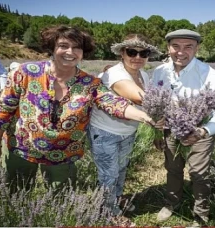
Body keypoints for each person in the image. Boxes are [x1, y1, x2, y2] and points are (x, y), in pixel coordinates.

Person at [0, 25, 154, 195]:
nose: (70, 52)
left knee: (61, 197)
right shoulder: (26, 72)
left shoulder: (90, 83)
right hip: (21, 147)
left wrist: (144, 116)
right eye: (63, 46)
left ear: (83, 52)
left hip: (63, 154)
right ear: (53, 47)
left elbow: (113, 103)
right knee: (16, 193)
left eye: (77, 48)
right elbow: (4, 109)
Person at [152, 29, 215, 226]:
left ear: (197, 48)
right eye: (175, 46)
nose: (181, 52)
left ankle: (200, 215)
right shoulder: (159, 72)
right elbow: (155, 101)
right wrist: (157, 128)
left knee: (199, 173)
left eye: (188, 46)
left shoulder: (208, 74)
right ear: (168, 48)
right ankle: (172, 202)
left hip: (200, 129)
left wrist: (203, 131)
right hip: (170, 129)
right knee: (172, 167)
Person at [88, 34, 161, 216]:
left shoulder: (143, 74)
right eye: (132, 52)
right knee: (108, 175)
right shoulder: (114, 73)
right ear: (122, 53)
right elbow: (140, 97)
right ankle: (107, 212)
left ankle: (117, 198)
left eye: (143, 53)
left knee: (121, 170)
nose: (137, 57)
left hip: (128, 131)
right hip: (105, 132)